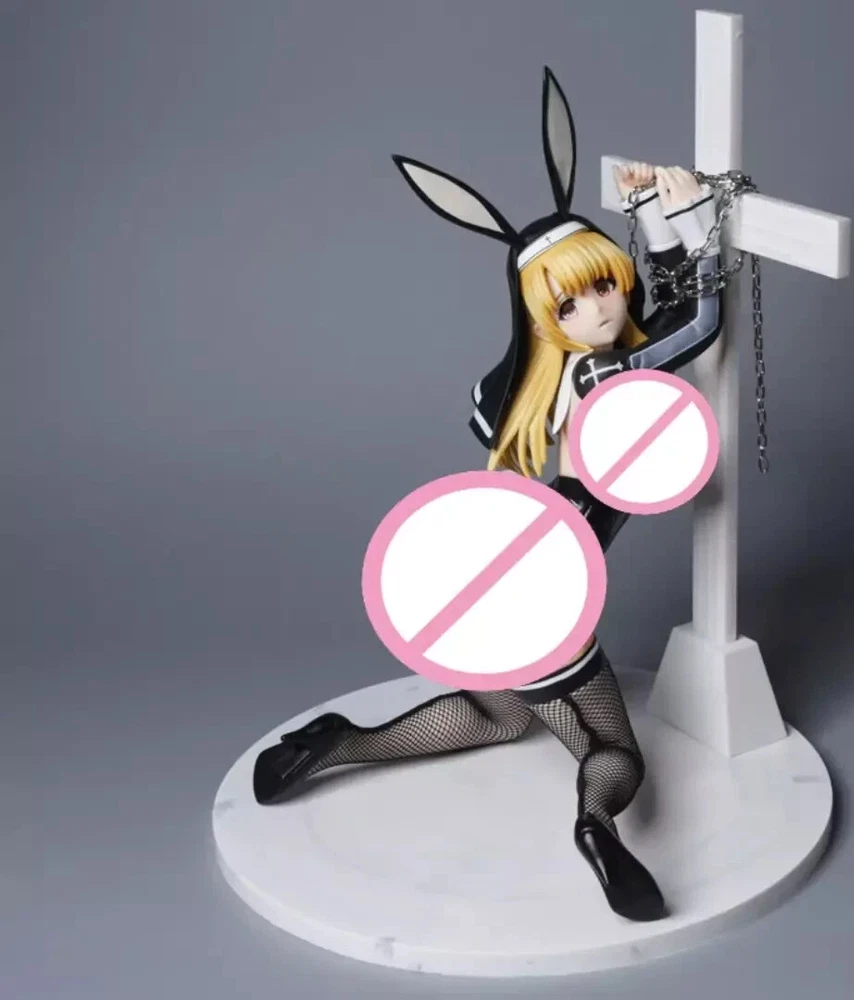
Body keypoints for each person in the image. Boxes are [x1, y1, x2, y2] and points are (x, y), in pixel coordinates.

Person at [252, 69, 722, 924]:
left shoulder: (544, 382)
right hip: (547, 593)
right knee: (610, 747)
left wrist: (645, 209)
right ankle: (596, 827)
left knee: (498, 715)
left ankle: (337, 743)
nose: (602, 306)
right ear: (546, 318)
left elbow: (654, 310)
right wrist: (689, 221)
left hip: (504, 568)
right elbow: (696, 320)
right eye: (573, 301)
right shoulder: (609, 379)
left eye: (605, 282)